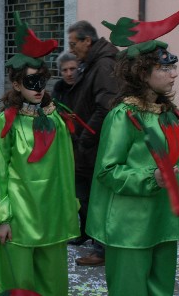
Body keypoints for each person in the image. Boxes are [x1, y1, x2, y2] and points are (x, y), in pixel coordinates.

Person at [87, 8, 179, 295]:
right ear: (143, 73)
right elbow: (107, 171)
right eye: (165, 68)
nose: (173, 74)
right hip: (130, 226)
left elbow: (173, 163)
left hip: (163, 221)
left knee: (161, 290)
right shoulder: (122, 116)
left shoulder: (166, 113)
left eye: (173, 66)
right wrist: (151, 177)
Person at [0, 14, 79, 295]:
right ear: (16, 85)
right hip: (20, 218)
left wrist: (68, 209)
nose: (38, 90)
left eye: (42, 82)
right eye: (30, 83)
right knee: (19, 283)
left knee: (53, 284)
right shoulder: (7, 122)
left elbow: (65, 168)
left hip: (53, 218)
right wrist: (1, 218)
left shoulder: (56, 119)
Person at [66, 20, 119, 264]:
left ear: (88, 40)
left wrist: (85, 139)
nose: (72, 49)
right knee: (83, 193)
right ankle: (88, 232)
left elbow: (105, 105)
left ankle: (102, 249)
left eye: (74, 43)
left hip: (94, 145)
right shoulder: (93, 63)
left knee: (95, 196)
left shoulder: (104, 64)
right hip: (85, 143)